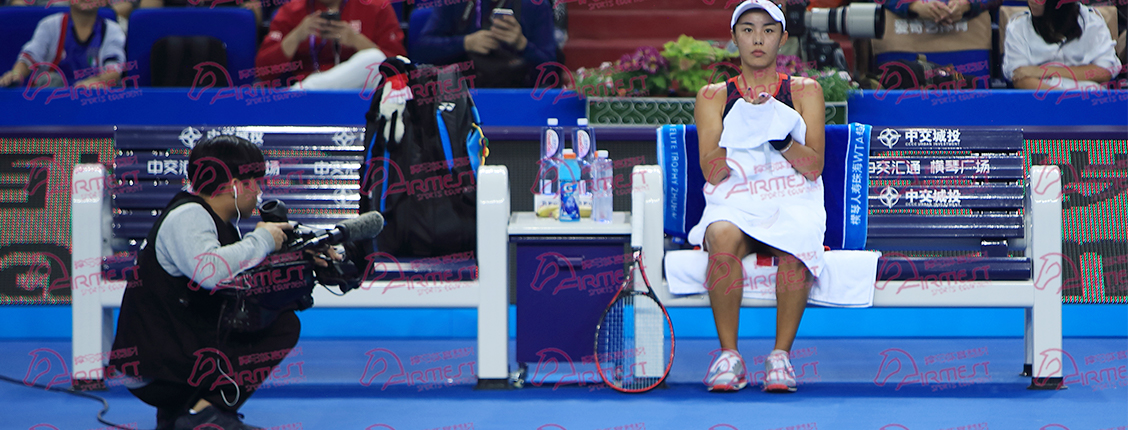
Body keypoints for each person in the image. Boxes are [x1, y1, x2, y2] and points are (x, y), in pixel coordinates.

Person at [109, 136, 338, 430]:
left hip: (171, 354)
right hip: (156, 369)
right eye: (255, 182)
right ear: (235, 185)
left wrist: (301, 256)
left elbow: (244, 281)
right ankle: (205, 415)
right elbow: (210, 272)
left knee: (268, 317)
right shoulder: (188, 217)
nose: (259, 192)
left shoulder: (215, 222)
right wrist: (262, 240)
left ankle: (183, 418)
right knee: (281, 327)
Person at [691, 0, 826, 393]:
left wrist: (778, 136)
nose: (757, 39)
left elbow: (813, 167)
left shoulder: (804, 91)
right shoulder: (713, 97)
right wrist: (744, 126)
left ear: (783, 39)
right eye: (748, 29)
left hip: (791, 199)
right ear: (734, 38)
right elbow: (713, 171)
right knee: (720, 234)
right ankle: (728, 356)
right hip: (735, 201)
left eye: (768, 30)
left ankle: (780, 357)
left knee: (798, 239)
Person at [255, 0, 406, 89]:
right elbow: (263, 71)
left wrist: (357, 41)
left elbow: (400, 65)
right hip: (311, 99)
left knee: (374, 57)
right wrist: (297, 35)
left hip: (362, 92)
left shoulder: (377, 7)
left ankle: (305, 90)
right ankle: (308, 90)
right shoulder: (291, 11)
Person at [413, 0, 556, 87]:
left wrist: (522, 44)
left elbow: (551, 69)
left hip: (519, 94)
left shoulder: (535, 5)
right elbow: (421, 50)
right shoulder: (455, 3)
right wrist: (466, 43)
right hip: (464, 95)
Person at [0, 0, 125, 88]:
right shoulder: (49, 25)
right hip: (51, 99)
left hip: (91, 99)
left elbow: (113, 70)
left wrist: (96, 82)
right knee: (51, 80)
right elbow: (28, 58)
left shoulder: (112, 30)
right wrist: (15, 74)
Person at [1002, 0, 1120, 90]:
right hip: (1042, 100)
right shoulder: (1018, 28)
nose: (1032, 1)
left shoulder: (1092, 22)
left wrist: (1043, 71)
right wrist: (1060, 99)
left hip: (1087, 99)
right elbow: (1020, 77)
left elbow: (1104, 72)